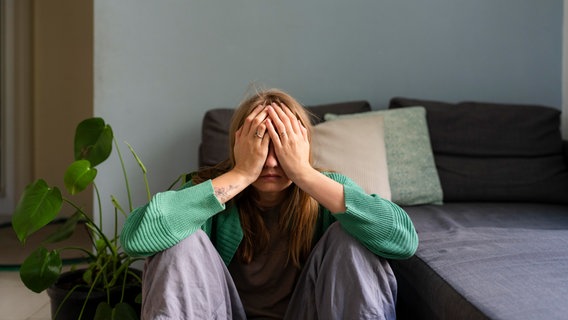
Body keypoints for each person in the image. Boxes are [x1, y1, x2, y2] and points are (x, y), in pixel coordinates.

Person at [120, 88, 419, 320]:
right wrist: (241, 173)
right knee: (180, 240)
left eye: (282, 147)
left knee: (352, 239)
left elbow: (403, 240)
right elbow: (136, 239)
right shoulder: (213, 188)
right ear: (240, 146)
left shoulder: (324, 189)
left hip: (307, 312)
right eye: (261, 145)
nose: (272, 162)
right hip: (223, 312)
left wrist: (302, 173)